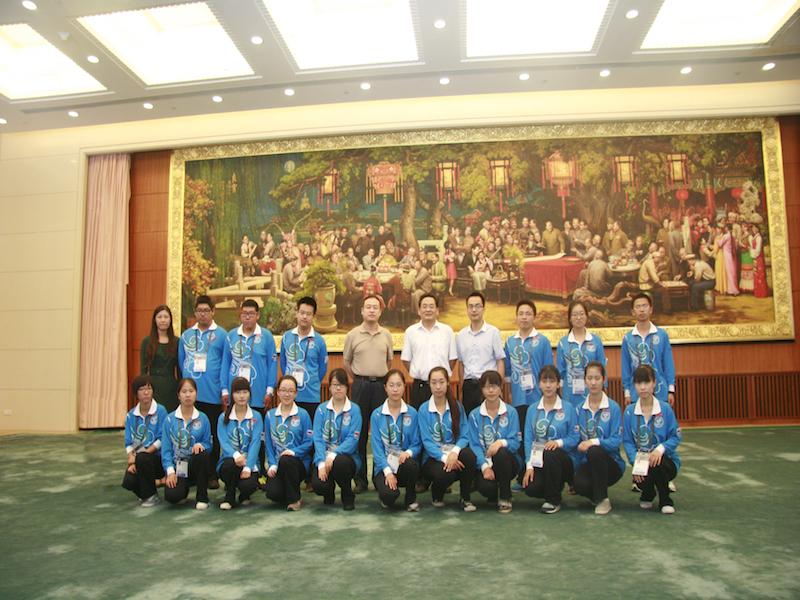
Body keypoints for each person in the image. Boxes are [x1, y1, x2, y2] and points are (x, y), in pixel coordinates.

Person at [342, 295, 393, 493]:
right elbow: (347, 363)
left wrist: (376, 376)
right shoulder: (353, 335)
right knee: (359, 433)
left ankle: (381, 475)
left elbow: (389, 362)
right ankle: (361, 480)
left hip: (380, 386)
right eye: (368, 307)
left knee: (382, 433)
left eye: (375, 307)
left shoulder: (386, 334)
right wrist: (360, 377)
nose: (372, 310)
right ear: (362, 311)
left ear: (380, 312)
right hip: (360, 386)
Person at [178, 295, 227, 488]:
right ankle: (192, 474)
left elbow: (225, 364)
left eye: (206, 311)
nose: (203, 314)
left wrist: (224, 390)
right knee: (191, 434)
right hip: (190, 396)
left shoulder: (221, 335)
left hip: (212, 393)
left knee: (212, 435)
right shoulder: (186, 336)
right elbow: (182, 362)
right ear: (195, 312)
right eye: (199, 311)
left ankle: (211, 475)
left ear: (213, 311)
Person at [622, 364, 682, 514]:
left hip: (665, 462)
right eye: (638, 383)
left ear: (654, 383)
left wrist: (660, 450)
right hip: (641, 462)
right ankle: (647, 493)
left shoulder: (665, 409)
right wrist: (635, 463)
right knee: (643, 476)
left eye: (647, 382)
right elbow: (628, 441)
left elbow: (675, 436)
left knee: (657, 463)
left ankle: (665, 501)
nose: (643, 387)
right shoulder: (629, 412)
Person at [521, 365, 579, 514]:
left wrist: (558, 443)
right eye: (544, 381)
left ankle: (553, 500)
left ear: (558, 384)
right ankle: (554, 486)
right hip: (540, 460)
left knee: (550, 452)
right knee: (530, 488)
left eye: (552, 381)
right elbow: (528, 440)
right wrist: (529, 466)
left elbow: (575, 437)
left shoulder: (568, 408)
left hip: (564, 460)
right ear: (539, 384)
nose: (548, 385)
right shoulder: (532, 409)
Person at [419, 367, 478, 511]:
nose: (438, 387)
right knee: (446, 474)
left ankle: (465, 498)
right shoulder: (424, 410)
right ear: (429, 385)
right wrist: (446, 458)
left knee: (469, 456)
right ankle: (436, 495)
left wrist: (454, 453)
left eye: (441, 382)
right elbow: (427, 442)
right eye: (434, 383)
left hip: (453, 454)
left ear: (447, 383)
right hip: (433, 459)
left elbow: (465, 435)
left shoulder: (457, 406)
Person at [572, 361, 624, 515]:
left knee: (594, 450)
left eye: (597, 378)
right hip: (587, 463)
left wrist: (593, 442)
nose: (593, 383)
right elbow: (575, 442)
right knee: (579, 485)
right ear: (585, 380)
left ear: (604, 380)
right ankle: (596, 495)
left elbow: (616, 441)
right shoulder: (579, 409)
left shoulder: (613, 408)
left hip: (611, 464)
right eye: (589, 378)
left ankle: (602, 499)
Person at [468, 370, 521, 514]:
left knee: (501, 453)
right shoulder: (474, 415)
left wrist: (501, 443)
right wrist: (484, 466)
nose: (491, 390)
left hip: (507, 462)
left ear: (501, 387)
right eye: (486, 387)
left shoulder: (511, 412)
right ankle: (493, 493)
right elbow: (474, 445)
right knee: (486, 488)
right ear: (481, 389)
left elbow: (516, 442)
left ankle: (505, 497)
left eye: (494, 386)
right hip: (485, 461)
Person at [504, 299, 555, 445]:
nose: (524, 317)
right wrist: (509, 392)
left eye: (528, 314)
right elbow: (507, 372)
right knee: (520, 434)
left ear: (534, 317)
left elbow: (549, 370)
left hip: (538, 396)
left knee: (537, 434)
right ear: (517, 317)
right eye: (521, 314)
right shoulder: (510, 342)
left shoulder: (543, 341)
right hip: (517, 396)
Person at [371, 369, 422, 511]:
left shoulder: (412, 413)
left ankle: (411, 499)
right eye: (391, 385)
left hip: (403, 465)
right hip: (384, 467)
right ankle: (388, 491)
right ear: (385, 387)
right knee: (389, 497)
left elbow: (417, 443)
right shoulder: (377, 415)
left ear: (404, 387)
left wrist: (408, 453)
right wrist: (387, 472)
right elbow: (377, 450)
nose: (395, 389)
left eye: (399, 385)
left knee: (411, 464)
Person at [311, 369, 362, 510]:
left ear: (347, 387)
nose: (338, 388)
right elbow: (318, 438)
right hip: (324, 456)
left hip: (346, 459)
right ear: (329, 388)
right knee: (318, 485)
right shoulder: (321, 410)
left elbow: (352, 439)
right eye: (335, 384)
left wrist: (333, 454)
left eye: (342, 384)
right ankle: (328, 493)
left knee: (340, 463)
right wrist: (321, 463)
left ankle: (347, 496)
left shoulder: (354, 410)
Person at [161, 378, 212, 510]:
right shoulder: (169, 419)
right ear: (178, 395)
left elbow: (209, 444)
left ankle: (202, 498)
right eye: (184, 392)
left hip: (195, 465)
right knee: (172, 497)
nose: (188, 395)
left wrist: (201, 445)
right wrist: (170, 471)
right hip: (178, 467)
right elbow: (166, 450)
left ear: (196, 394)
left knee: (202, 455)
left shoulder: (203, 418)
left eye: (191, 391)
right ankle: (182, 490)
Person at [264, 375, 314, 511]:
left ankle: (295, 499)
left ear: (296, 393)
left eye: (291, 391)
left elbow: (309, 442)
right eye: (283, 390)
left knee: (286, 460)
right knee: (273, 494)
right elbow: (269, 445)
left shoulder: (303, 415)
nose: (287, 394)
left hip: (297, 464)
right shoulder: (270, 416)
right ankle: (287, 490)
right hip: (278, 464)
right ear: (278, 392)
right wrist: (272, 465)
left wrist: (293, 452)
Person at [401, 293, 458, 409]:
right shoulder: (411, 332)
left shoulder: (447, 331)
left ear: (437, 310)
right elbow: (406, 360)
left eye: (431, 306)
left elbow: (452, 359)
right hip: (420, 387)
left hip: (441, 387)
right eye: (425, 306)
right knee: (418, 419)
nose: (428, 310)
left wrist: (441, 377)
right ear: (419, 311)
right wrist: (418, 372)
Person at [222, 300, 277, 416]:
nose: (247, 317)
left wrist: (269, 391)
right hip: (235, 394)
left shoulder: (266, 336)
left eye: (251, 314)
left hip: (258, 394)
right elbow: (225, 364)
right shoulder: (231, 335)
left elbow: (272, 365)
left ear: (257, 315)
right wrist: (225, 390)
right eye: (244, 314)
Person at [621, 293, 676, 407]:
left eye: (645, 306)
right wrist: (627, 392)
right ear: (633, 312)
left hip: (660, 391)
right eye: (638, 307)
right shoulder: (628, 338)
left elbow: (668, 363)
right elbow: (625, 368)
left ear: (651, 310)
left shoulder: (662, 335)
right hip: (636, 393)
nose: (642, 310)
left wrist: (671, 390)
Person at [122, 375, 168, 507]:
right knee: (128, 481)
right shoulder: (131, 415)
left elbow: (162, 438)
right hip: (140, 459)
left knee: (143, 459)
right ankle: (150, 492)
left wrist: (142, 457)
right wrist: (132, 459)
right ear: (136, 393)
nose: (146, 392)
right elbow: (128, 442)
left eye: (149, 388)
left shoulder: (160, 411)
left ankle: (150, 496)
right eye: (142, 389)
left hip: (157, 459)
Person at [217, 377, 263, 510]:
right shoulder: (223, 417)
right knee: (230, 465)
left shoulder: (256, 417)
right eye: (237, 392)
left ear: (249, 393)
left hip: (250, 462)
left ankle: (244, 495)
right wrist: (236, 456)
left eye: (245, 392)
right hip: (230, 462)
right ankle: (229, 496)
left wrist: (248, 467)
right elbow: (224, 442)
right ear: (232, 394)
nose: (241, 396)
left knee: (248, 485)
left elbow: (255, 443)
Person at [456, 292, 506, 416]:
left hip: (488, 386)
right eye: (471, 306)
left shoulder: (493, 332)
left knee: (489, 419)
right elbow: (461, 364)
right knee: (470, 420)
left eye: (477, 306)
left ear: (484, 309)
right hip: (469, 386)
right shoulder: (461, 335)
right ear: (467, 310)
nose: (474, 310)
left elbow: (500, 360)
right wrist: (462, 388)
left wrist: (499, 387)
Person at [556, 301, 606, 409]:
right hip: (569, 391)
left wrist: (604, 387)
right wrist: (560, 391)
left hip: (591, 389)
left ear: (587, 316)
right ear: (570, 318)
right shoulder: (563, 342)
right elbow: (561, 370)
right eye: (575, 315)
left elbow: (602, 366)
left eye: (581, 314)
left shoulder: (596, 340)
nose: (578, 318)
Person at [140, 305, 180, 413]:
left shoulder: (177, 342)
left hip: (171, 386)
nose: (163, 320)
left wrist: (180, 390)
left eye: (166, 317)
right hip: (154, 386)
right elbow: (143, 369)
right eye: (159, 317)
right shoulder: (147, 341)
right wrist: (145, 389)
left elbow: (179, 369)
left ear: (170, 319)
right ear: (155, 320)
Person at [751, 224, 768, 298]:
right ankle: (758, 292)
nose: (754, 230)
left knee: (760, 273)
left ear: (758, 229)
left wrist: (754, 254)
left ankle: (762, 293)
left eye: (755, 228)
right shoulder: (755, 237)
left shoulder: (759, 237)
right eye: (753, 229)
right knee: (756, 273)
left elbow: (758, 249)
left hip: (759, 257)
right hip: (756, 257)